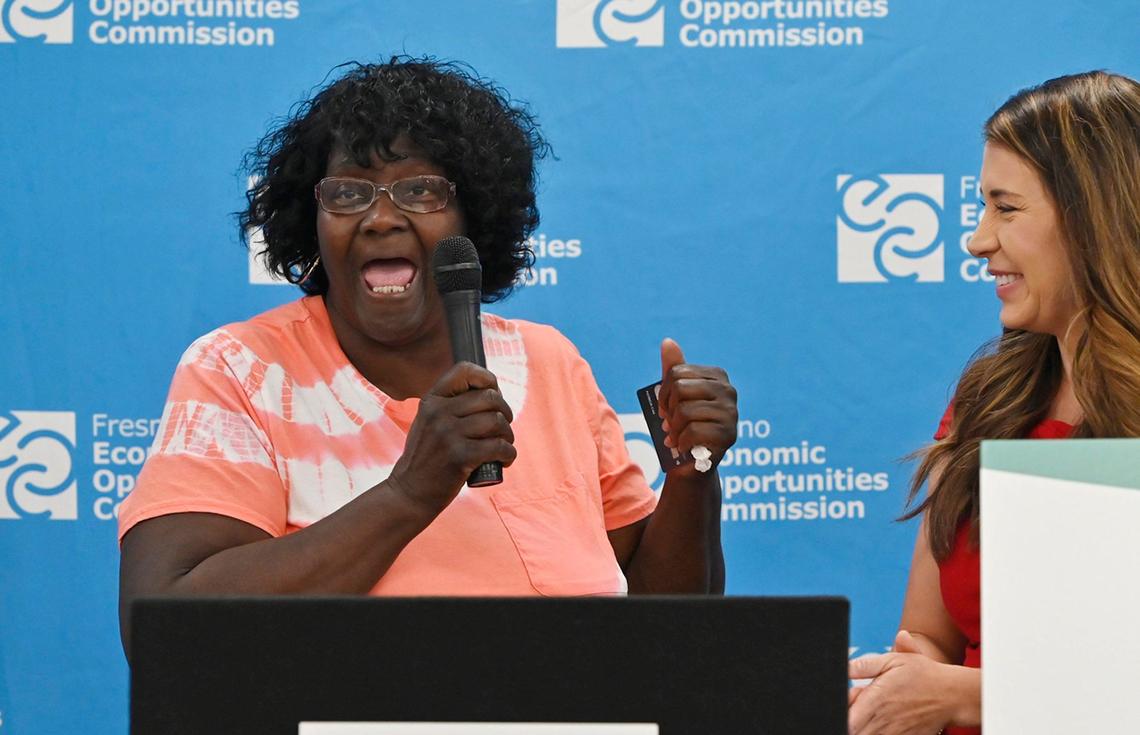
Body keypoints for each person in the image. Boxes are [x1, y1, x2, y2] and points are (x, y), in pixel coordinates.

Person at [117, 57, 737, 656]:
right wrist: (410, 493)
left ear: (476, 218)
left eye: (421, 191)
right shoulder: (243, 369)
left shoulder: (548, 362)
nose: (382, 218)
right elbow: (166, 629)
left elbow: (667, 631)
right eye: (348, 193)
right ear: (310, 219)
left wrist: (691, 473)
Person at [847, 70, 1140, 735]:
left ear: (1097, 216)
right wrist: (895, 690)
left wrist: (963, 696)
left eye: (1006, 209)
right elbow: (929, 640)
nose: (979, 240)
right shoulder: (990, 398)